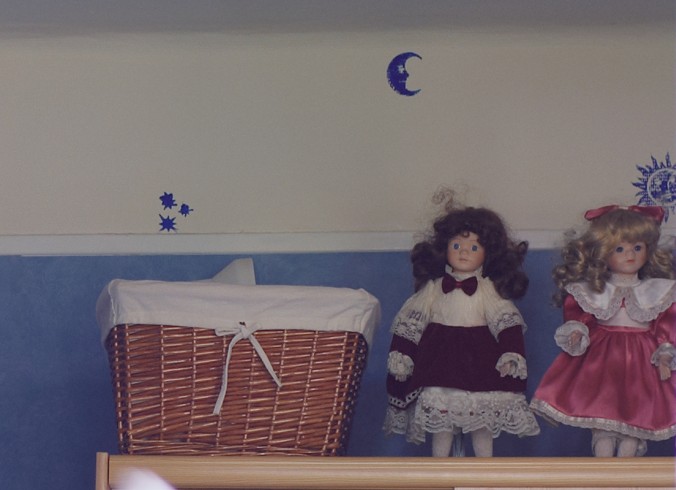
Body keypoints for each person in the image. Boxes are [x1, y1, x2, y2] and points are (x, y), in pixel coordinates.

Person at [383, 197, 540, 457]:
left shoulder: (487, 289)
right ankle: (441, 466)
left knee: (481, 419)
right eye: (457, 245)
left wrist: (511, 352)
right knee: (442, 418)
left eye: (474, 247)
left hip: (480, 364)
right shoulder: (433, 288)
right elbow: (411, 322)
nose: (464, 252)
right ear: (444, 248)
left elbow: (506, 321)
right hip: (439, 364)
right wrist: (403, 355)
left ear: (489, 253)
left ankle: (484, 467)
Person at [530, 205, 676, 457]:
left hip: (642, 360)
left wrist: (664, 354)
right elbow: (583, 318)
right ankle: (603, 466)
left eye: (637, 247)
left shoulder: (657, 290)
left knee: (636, 418)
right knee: (602, 416)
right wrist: (578, 332)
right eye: (619, 249)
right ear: (603, 253)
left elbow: (665, 327)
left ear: (648, 250)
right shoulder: (594, 290)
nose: (629, 255)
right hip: (603, 358)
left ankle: (625, 467)